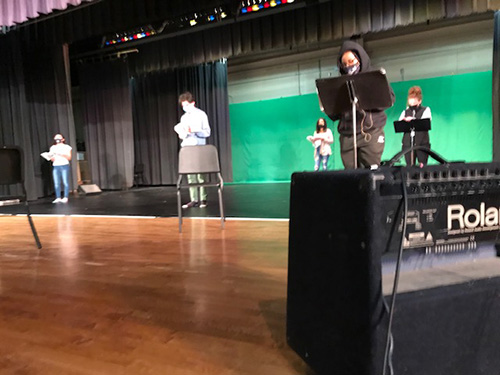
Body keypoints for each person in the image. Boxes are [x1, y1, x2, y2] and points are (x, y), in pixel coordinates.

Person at [334, 40, 395, 169]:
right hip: (347, 136)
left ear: (360, 58)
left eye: (351, 61)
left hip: (370, 134)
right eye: (344, 64)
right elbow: (334, 113)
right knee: (351, 178)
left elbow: (389, 99)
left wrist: (366, 98)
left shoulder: (374, 77)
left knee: (370, 176)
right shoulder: (340, 84)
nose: (348, 66)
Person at [174, 91, 211, 209]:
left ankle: (203, 199)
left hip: (198, 147)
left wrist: (196, 131)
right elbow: (182, 132)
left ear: (193, 103)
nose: (185, 108)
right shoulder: (183, 117)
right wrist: (183, 133)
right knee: (191, 175)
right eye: (183, 106)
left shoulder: (201, 114)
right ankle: (193, 199)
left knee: (200, 174)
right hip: (187, 147)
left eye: (187, 105)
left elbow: (207, 132)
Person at [399, 86, 432, 167]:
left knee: (422, 165)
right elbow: (399, 123)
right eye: (410, 103)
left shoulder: (426, 110)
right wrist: (404, 120)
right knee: (409, 166)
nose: (412, 106)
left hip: (422, 143)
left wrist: (413, 119)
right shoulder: (405, 111)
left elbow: (426, 122)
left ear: (419, 101)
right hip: (408, 143)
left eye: (414, 103)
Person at [49, 134, 72, 203]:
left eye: (59, 138)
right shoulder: (52, 147)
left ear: (63, 139)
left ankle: (65, 197)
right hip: (56, 166)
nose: (57, 139)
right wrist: (50, 157)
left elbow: (69, 158)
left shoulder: (67, 147)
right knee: (56, 183)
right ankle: (58, 197)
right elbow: (52, 159)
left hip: (64, 165)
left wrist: (61, 154)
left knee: (65, 182)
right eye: (56, 138)